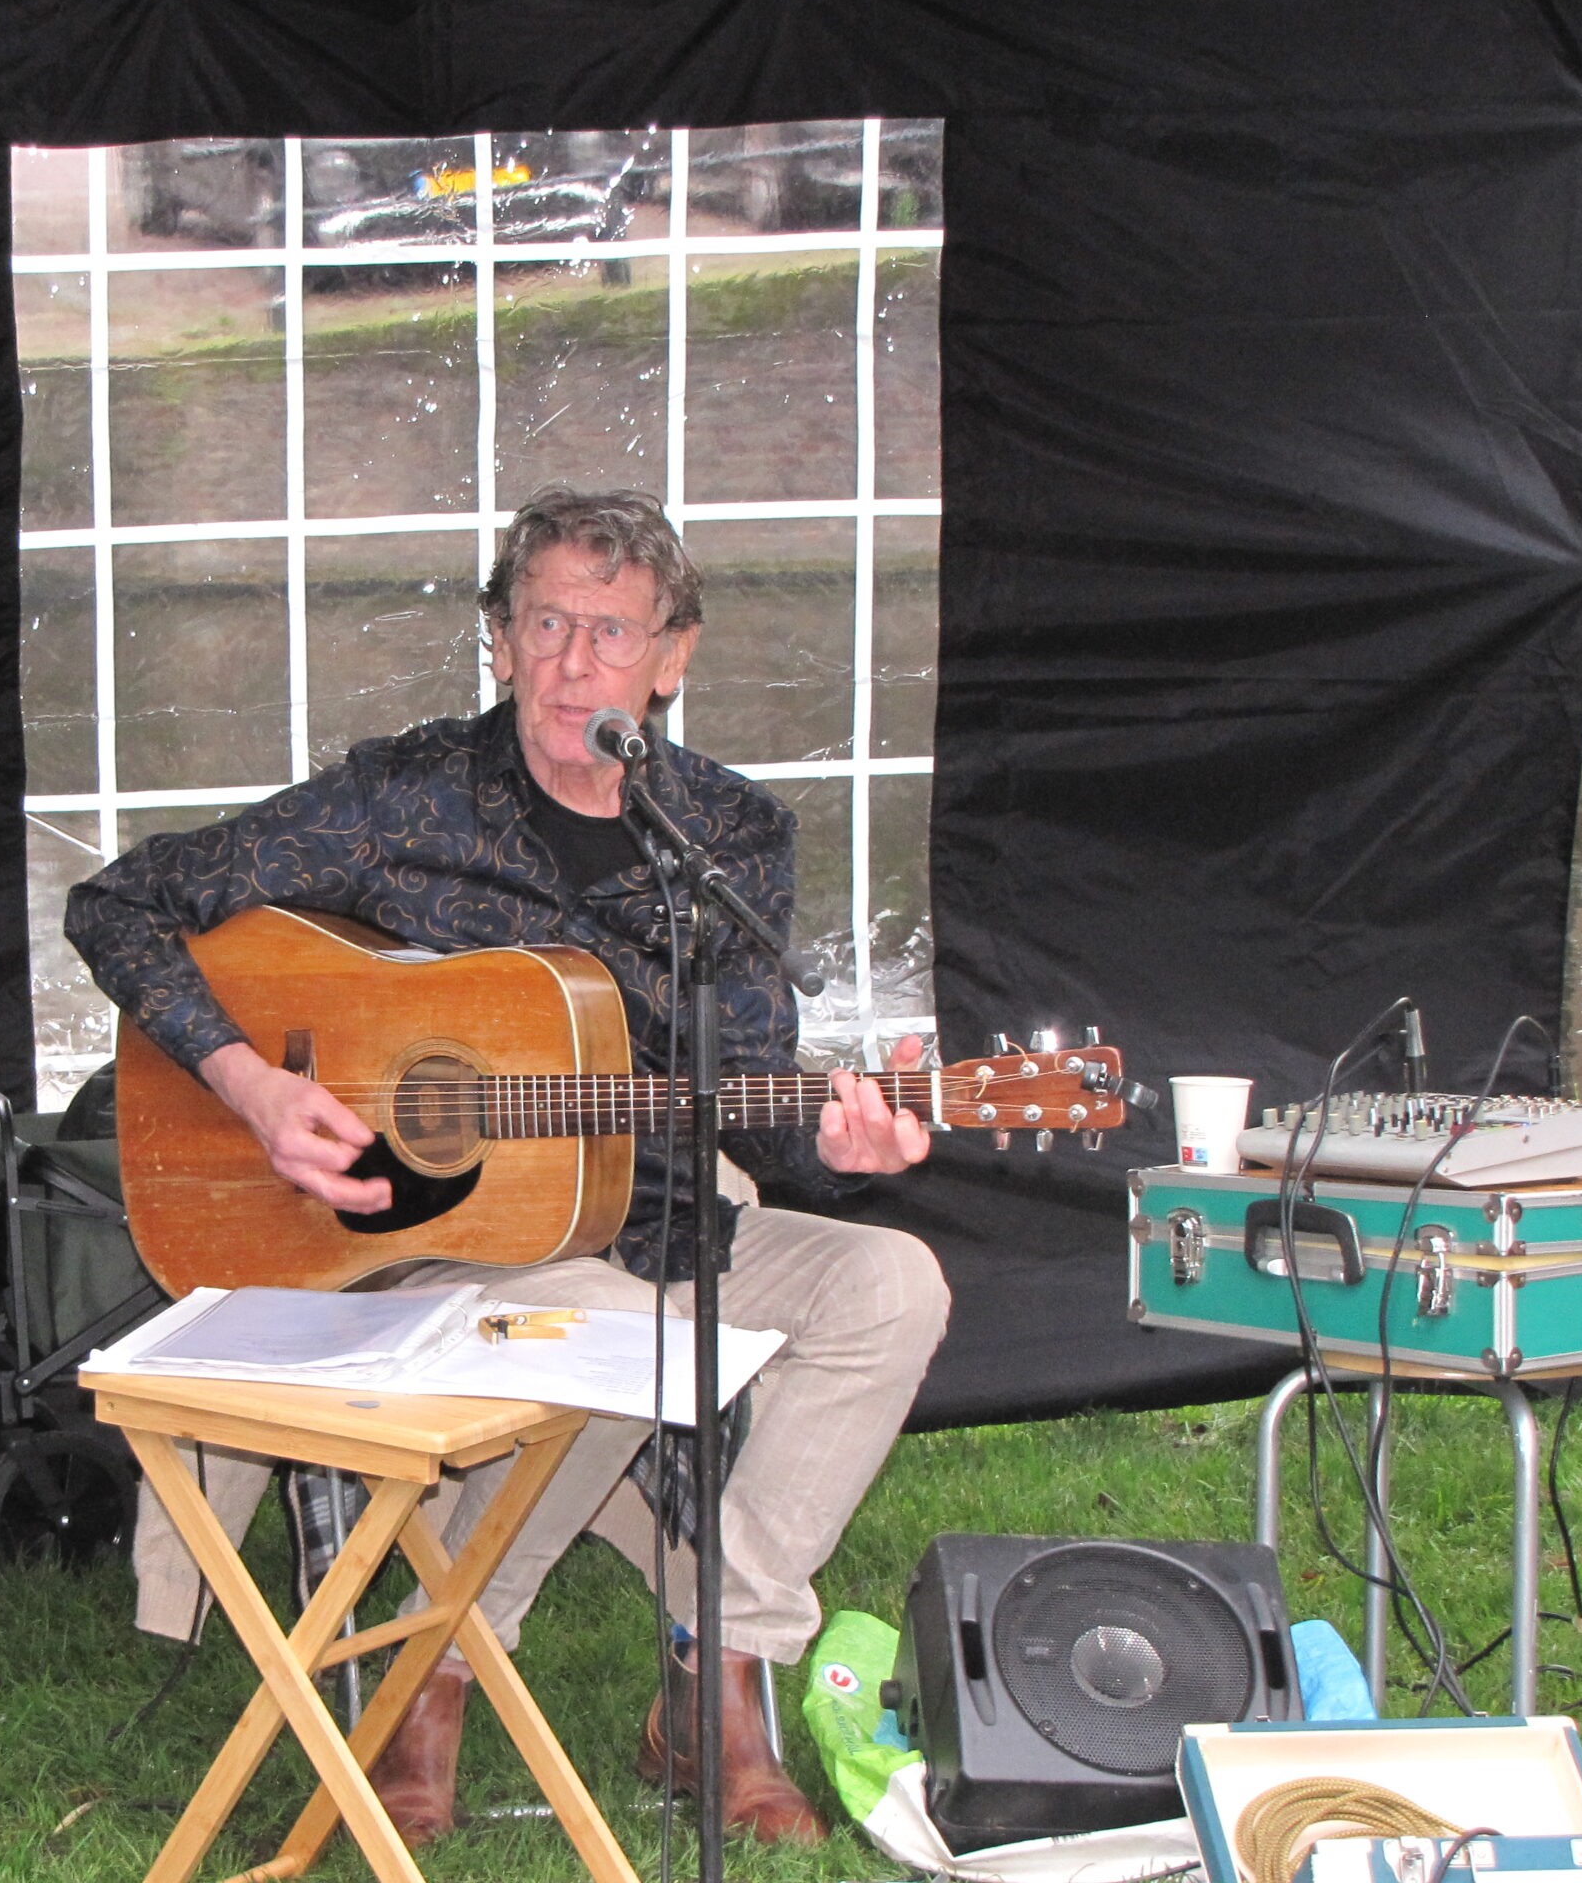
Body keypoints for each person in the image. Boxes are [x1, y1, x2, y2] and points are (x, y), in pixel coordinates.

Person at [64, 487, 950, 1848]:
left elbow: (758, 1103)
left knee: (894, 1285)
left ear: (673, 658)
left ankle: (716, 1656)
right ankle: (434, 1686)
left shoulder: (729, 838)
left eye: (609, 630)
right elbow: (117, 902)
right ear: (498, 639)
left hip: (662, 1214)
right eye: (542, 620)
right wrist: (248, 1085)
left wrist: (837, 1139)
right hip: (427, 1236)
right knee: (609, 1324)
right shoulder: (403, 799)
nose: (571, 662)